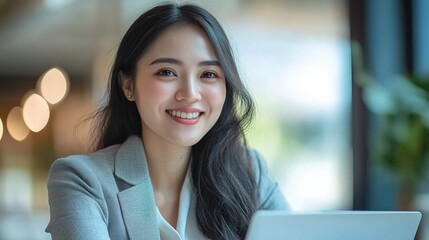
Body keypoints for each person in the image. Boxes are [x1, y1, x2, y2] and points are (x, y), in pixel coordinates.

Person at [45, 3, 289, 240]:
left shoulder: (250, 173)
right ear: (128, 85)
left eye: (208, 74)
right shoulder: (81, 180)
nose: (190, 93)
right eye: (167, 72)